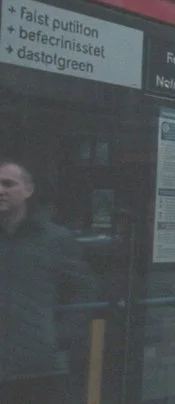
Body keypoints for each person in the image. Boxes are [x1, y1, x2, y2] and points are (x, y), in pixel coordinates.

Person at [0, 159, 97, 403]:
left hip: (38, 368)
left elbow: (84, 291)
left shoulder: (55, 239)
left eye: (8, 184)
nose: (1, 190)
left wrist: (58, 337)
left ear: (28, 190)